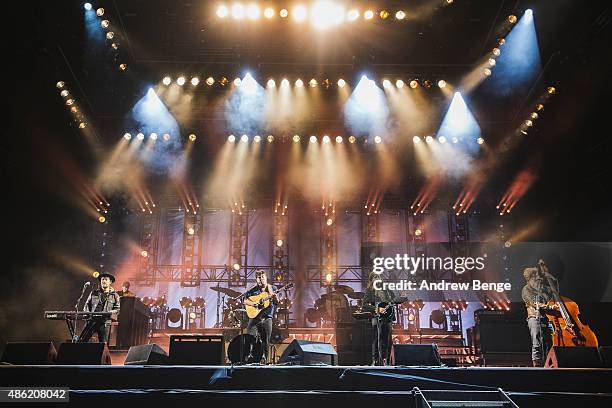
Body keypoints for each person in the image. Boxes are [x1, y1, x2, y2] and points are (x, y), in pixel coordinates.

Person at [521, 260, 559, 367]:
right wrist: (549, 306)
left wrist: (547, 273)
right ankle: (537, 365)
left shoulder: (542, 290)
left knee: (549, 341)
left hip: (546, 318)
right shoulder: (526, 289)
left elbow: (554, 286)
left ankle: (549, 363)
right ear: (529, 278)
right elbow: (533, 303)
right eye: (535, 277)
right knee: (537, 342)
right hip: (534, 318)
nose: (538, 279)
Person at [243, 269, 278, 364]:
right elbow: (245, 300)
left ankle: (264, 360)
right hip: (254, 318)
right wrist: (253, 303)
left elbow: (276, 302)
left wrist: (274, 297)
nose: (261, 279)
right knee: (251, 337)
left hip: (267, 318)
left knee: (265, 341)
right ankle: (250, 357)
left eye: (263, 277)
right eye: (259, 278)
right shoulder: (252, 290)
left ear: (266, 278)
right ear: (256, 279)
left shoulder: (272, 288)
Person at [363, 272, 397, 365]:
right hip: (376, 317)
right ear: (371, 280)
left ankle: (386, 360)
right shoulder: (370, 290)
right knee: (376, 338)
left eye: (378, 276)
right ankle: (375, 360)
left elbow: (394, 299)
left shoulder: (386, 289)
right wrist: (376, 309)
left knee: (387, 339)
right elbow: (364, 305)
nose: (377, 278)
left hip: (387, 318)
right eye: (374, 277)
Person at [81, 272, 120, 343]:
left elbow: (117, 309)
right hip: (92, 321)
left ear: (110, 282)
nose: (104, 281)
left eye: (106, 279)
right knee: (82, 341)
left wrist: (107, 313)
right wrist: (88, 315)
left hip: (104, 322)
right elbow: (86, 305)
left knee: (103, 344)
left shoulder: (115, 296)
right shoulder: (94, 293)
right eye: (102, 279)